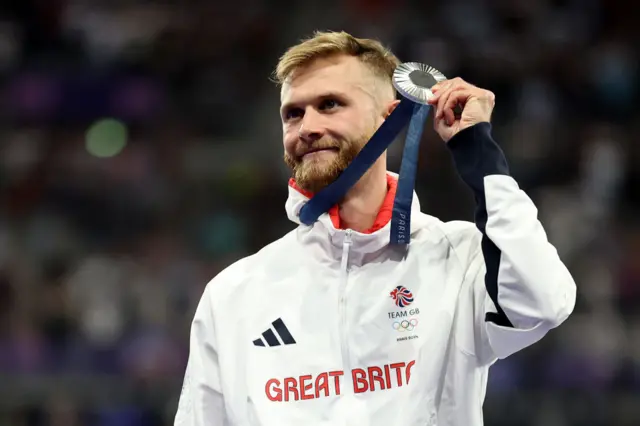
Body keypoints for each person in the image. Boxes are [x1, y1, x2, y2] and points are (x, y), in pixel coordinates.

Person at [174, 31, 577, 426]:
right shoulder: (234, 294)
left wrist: (480, 154)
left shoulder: (459, 258)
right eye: (293, 113)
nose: (307, 127)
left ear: (390, 117)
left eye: (330, 104)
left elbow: (542, 302)